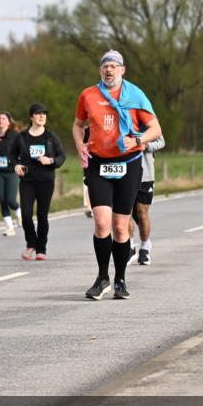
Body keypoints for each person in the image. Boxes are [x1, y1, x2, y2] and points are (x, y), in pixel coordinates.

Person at [72, 49, 162, 300]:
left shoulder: (135, 95)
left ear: (122, 70)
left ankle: (120, 279)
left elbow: (155, 128)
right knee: (101, 222)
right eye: (105, 66)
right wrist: (80, 143)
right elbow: (78, 124)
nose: (109, 70)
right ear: (100, 70)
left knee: (121, 229)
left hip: (128, 164)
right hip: (99, 163)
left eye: (113, 66)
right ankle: (102, 279)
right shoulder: (88, 95)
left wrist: (138, 139)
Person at [11, 103, 66, 260]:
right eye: (38, 113)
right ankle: (31, 244)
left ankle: (41, 249)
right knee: (26, 216)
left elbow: (62, 156)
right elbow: (12, 155)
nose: (42, 116)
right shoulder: (21, 137)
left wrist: (50, 160)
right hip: (27, 181)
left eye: (44, 114)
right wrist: (15, 166)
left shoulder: (50, 137)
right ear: (31, 117)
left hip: (45, 181)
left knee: (42, 216)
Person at [128, 132, 165, 265]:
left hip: (146, 174)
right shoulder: (120, 115)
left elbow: (161, 142)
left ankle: (144, 248)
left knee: (141, 213)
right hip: (126, 173)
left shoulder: (147, 117)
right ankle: (130, 247)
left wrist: (147, 145)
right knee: (126, 213)